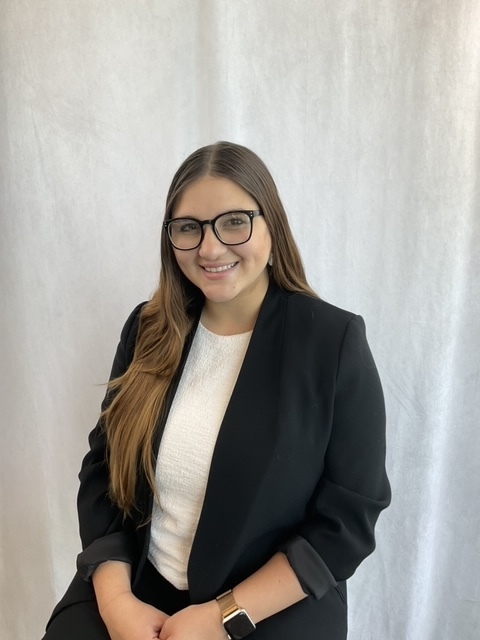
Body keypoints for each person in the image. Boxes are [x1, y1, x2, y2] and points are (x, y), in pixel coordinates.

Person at [42, 141, 391, 640]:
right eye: (189, 227)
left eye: (233, 222)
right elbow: (103, 468)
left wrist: (222, 617)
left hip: (270, 605)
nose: (209, 248)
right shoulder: (147, 330)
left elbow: (349, 519)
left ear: (271, 224)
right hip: (138, 585)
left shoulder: (332, 344)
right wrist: (118, 602)